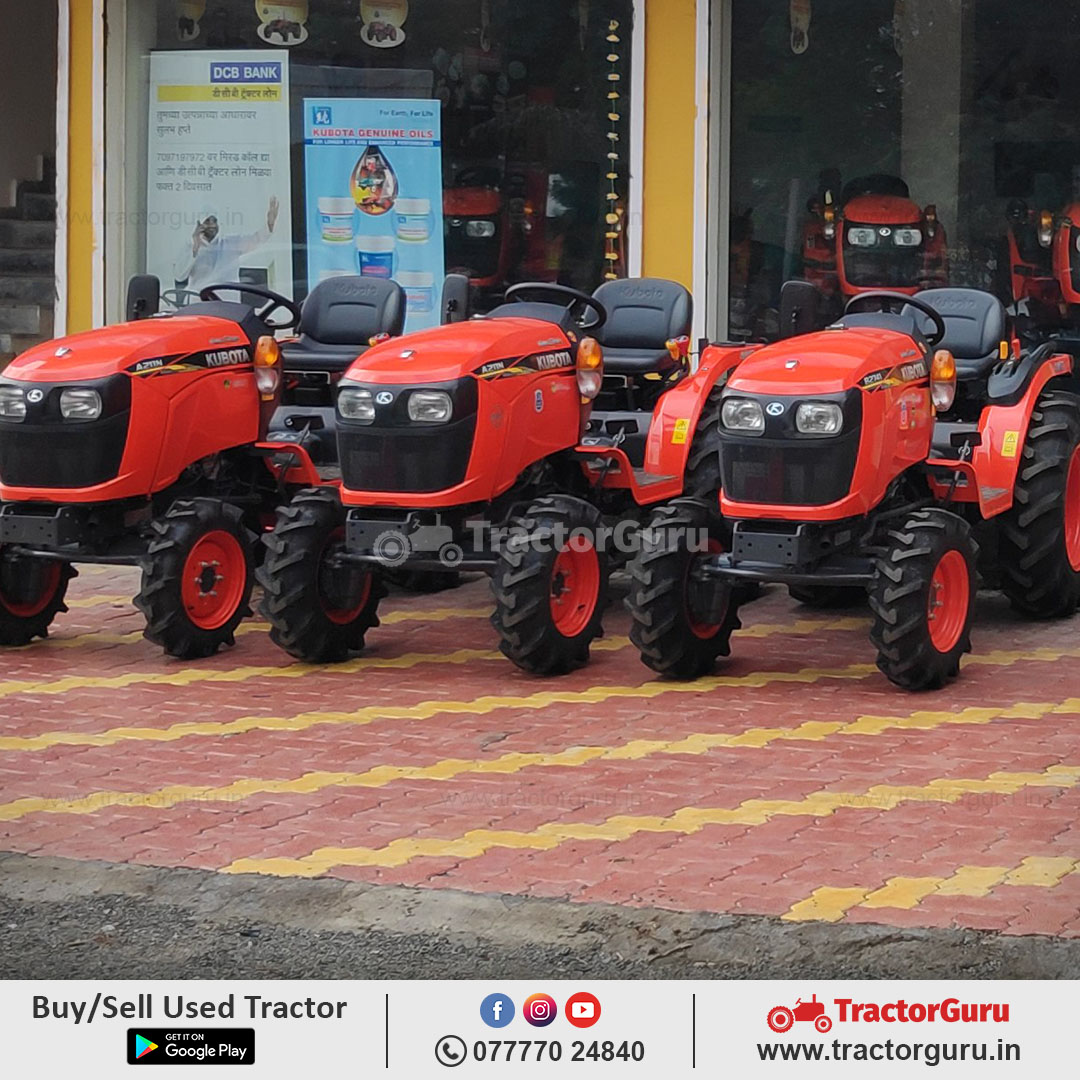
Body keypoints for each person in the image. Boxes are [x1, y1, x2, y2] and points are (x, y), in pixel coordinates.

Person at [175, 196, 280, 291]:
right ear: (199, 224)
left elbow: (256, 240)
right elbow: (179, 276)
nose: (212, 225)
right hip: (200, 306)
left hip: (227, 306)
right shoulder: (190, 247)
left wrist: (269, 225)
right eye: (207, 221)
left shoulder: (230, 243)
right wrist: (194, 249)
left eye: (214, 221)